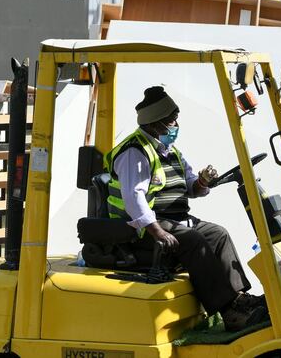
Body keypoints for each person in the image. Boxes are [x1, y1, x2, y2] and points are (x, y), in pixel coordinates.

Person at [103, 86, 268, 332]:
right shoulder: (134, 153)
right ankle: (229, 312)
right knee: (193, 240)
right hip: (141, 229)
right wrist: (157, 231)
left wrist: (201, 182)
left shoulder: (169, 150)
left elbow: (190, 186)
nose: (175, 125)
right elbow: (133, 197)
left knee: (218, 233)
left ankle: (238, 299)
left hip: (175, 218)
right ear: (154, 123)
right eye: (171, 120)